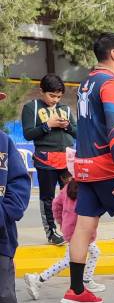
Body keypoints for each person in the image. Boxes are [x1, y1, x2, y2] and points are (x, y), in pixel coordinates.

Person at [61, 33, 114, 303]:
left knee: (84, 226)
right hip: (108, 167)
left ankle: (76, 290)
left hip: (84, 168)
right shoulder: (112, 84)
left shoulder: (86, 83)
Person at [24, 177, 103, 300]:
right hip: (80, 232)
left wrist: (62, 222)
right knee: (69, 260)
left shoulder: (67, 187)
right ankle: (38, 279)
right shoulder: (87, 190)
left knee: (94, 252)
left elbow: (56, 205)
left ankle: (86, 280)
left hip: (71, 230)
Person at [20, 74, 76, 246]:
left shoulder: (65, 108)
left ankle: (70, 229)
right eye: (51, 95)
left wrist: (67, 125)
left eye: (59, 96)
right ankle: (51, 232)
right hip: (46, 159)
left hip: (66, 158)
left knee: (71, 195)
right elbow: (28, 134)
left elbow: (77, 133)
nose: (55, 100)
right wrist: (48, 125)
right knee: (47, 198)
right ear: (41, 91)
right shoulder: (32, 107)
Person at [0, 92, 34, 303]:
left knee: (4, 290)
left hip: (1, 232)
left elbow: (19, 182)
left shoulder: (4, 142)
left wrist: (6, 212)